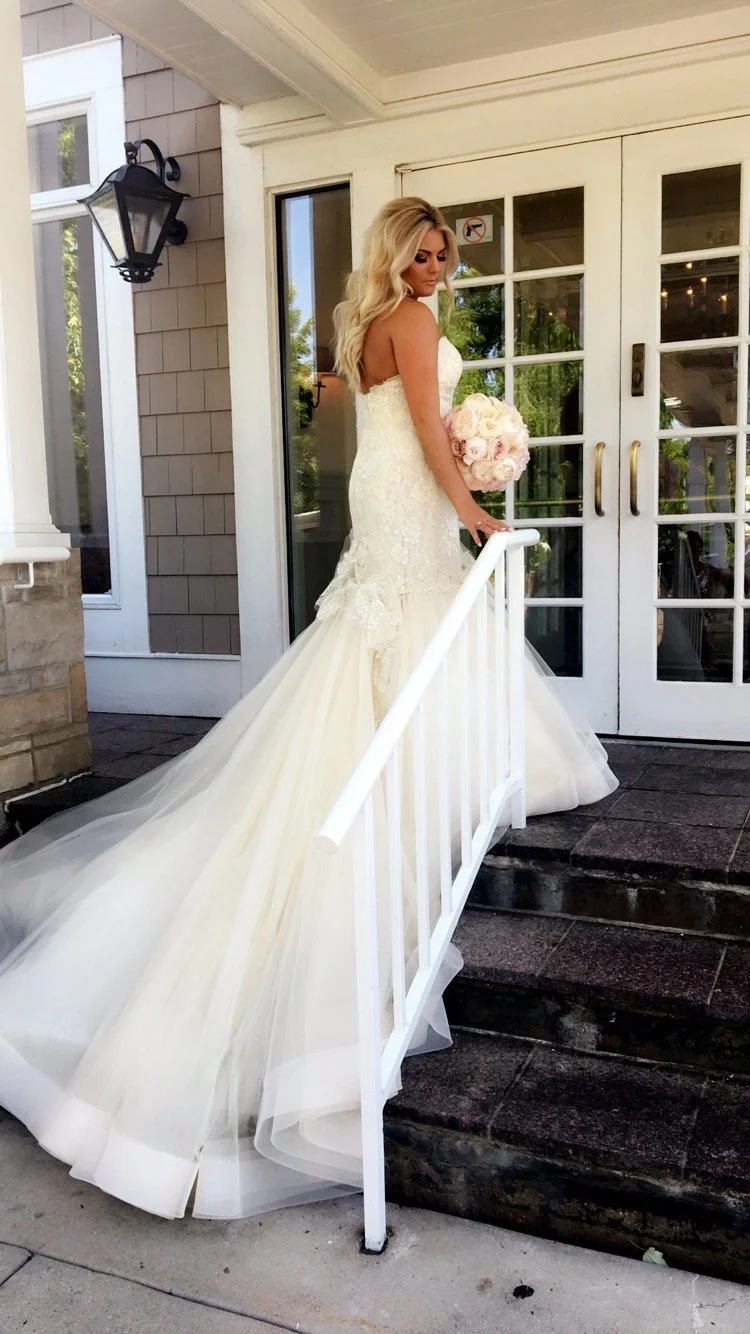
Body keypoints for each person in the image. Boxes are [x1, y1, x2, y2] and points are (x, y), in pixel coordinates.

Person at [0, 197, 616, 1222]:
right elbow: (423, 420)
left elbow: (404, 420)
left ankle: (411, 752)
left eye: (441, 253)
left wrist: (462, 462)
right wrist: (468, 497)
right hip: (410, 494)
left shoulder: (366, 321)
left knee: (394, 634)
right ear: (394, 254)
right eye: (418, 251)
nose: (433, 266)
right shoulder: (408, 323)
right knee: (410, 623)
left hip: (386, 495)